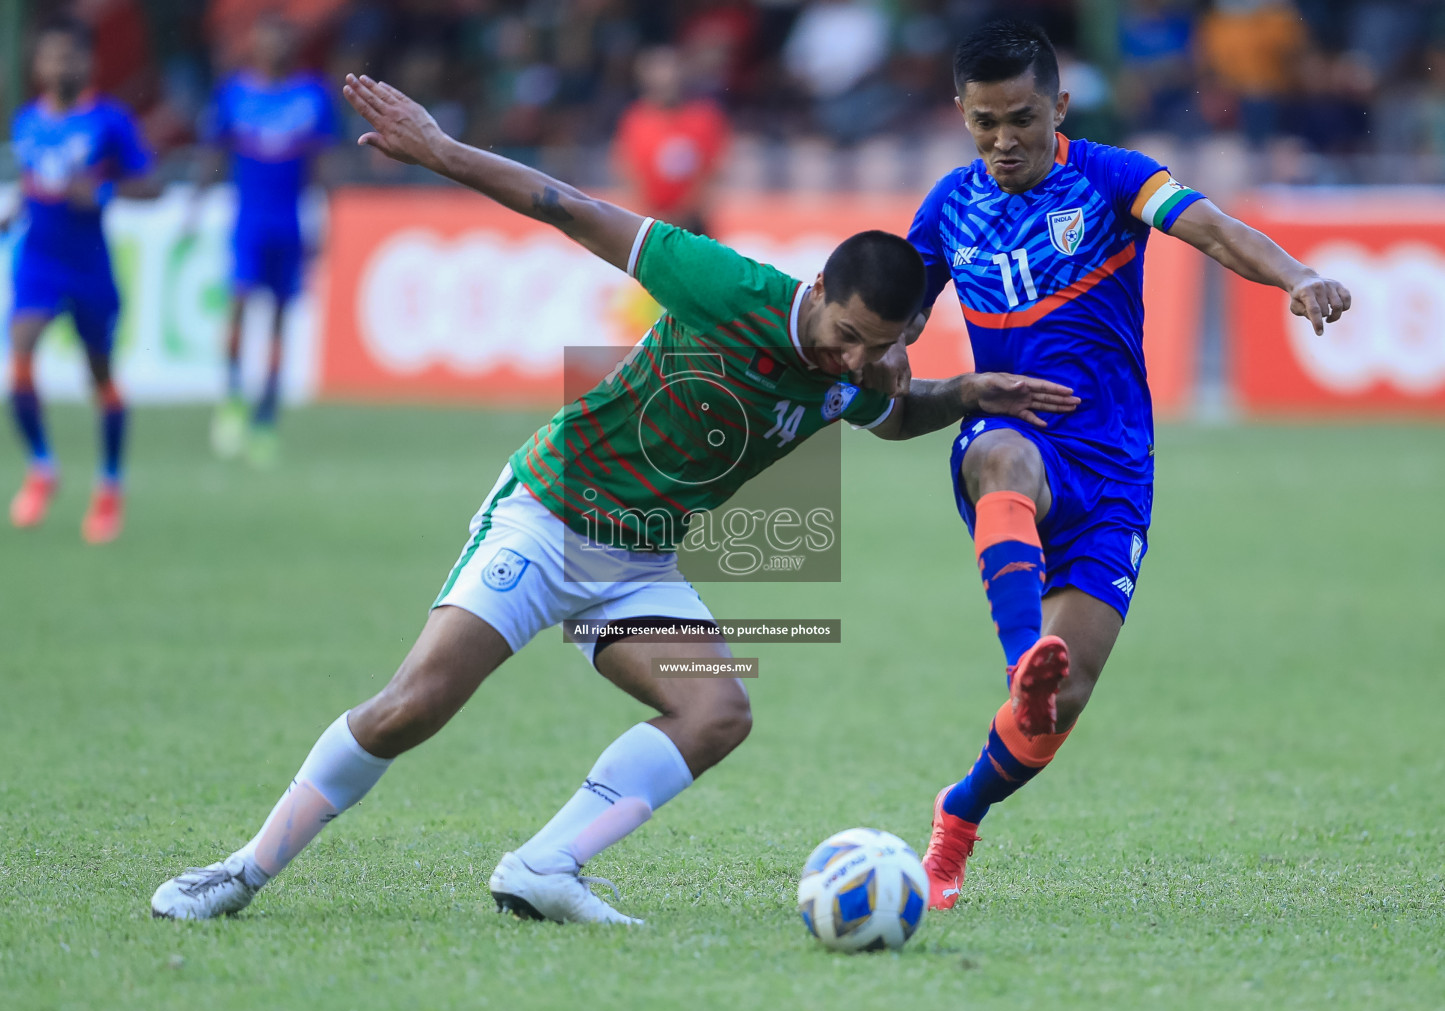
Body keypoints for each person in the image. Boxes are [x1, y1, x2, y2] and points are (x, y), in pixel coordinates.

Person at [150, 73, 1078, 925]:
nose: (854, 360)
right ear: (819, 290)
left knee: (717, 713)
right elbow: (568, 207)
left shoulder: (869, 369)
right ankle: (240, 871)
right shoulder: (724, 284)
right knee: (414, 706)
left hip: (637, 560)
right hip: (550, 515)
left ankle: (544, 868)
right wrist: (439, 151)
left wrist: (962, 394)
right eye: (843, 336)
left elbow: (890, 413)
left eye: (877, 345)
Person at [905, 19, 1351, 910]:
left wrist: (1296, 276)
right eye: (984, 122)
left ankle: (956, 820)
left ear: (1059, 106)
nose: (1003, 140)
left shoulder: (1112, 178)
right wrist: (911, 379)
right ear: (961, 114)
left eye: (1021, 119)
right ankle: (1017, 656)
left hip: (1113, 470)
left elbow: (1213, 229)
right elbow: (892, 328)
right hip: (1012, 433)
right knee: (999, 454)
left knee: (1061, 706)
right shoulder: (945, 210)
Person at [0, 16, 158, 545]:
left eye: (71, 57)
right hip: (38, 260)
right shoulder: (26, 121)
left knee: (100, 378)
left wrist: (105, 193)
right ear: (37, 66)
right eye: (52, 57)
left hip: (89, 264)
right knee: (20, 355)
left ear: (86, 64)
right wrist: (13, 207)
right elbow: (36, 179)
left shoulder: (109, 120)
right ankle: (42, 467)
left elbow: (150, 185)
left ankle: (110, 485)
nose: (61, 66)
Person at [198, 12, 337, 465]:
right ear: (254, 43)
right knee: (239, 305)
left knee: (279, 318)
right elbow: (213, 152)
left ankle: (266, 418)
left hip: (290, 223)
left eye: (281, 38)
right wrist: (194, 201)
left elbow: (321, 167)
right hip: (248, 223)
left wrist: (322, 218)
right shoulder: (235, 93)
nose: (272, 47)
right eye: (265, 38)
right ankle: (234, 395)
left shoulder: (312, 96)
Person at [612, 45, 729, 237]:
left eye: (671, 72)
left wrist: (683, 211)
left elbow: (712, 169)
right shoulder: (635, 119)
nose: (666, 80)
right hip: (651, 221)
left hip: (694, 222)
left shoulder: (705, 117)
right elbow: (628, 168)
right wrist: (653, 211)